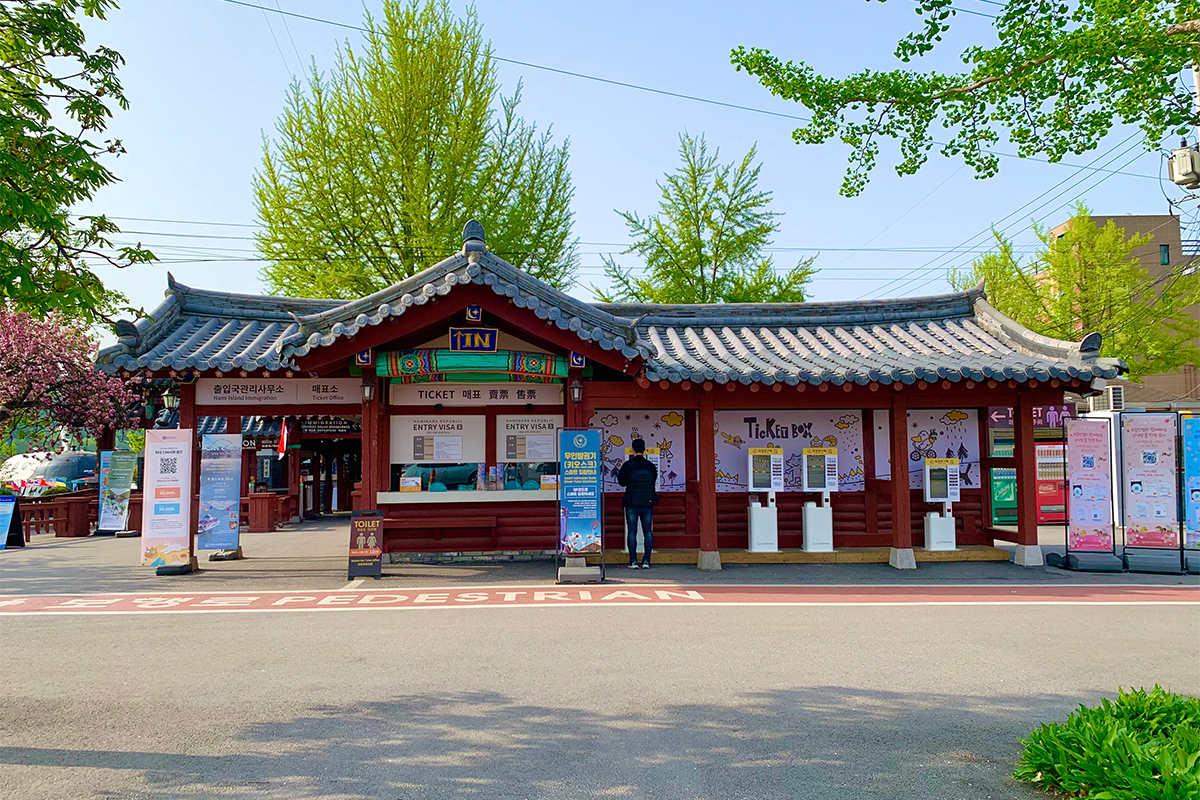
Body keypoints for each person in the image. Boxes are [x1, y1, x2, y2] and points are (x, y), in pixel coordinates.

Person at [617, 438, 657, 568]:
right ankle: (646, 560)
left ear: (632, 449)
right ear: (644, 449)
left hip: (631, 503)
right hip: (647, 503)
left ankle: (633, 561)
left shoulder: (628, 465)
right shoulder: (650, 466)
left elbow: (621, 482)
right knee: (648, 532)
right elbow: (654, 480)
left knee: (632, 532)